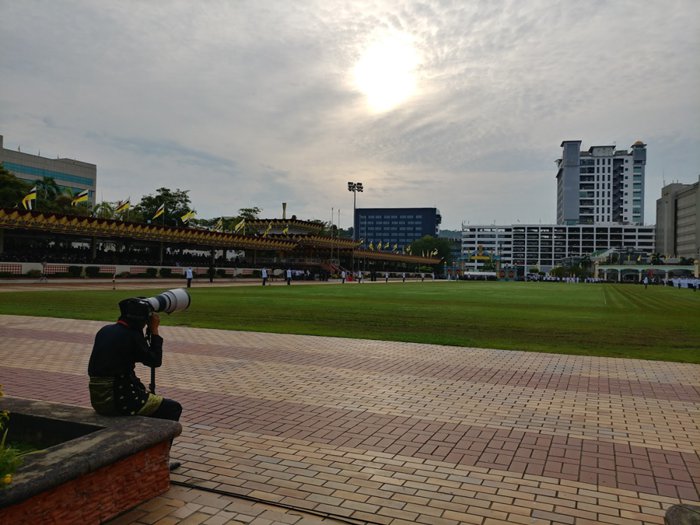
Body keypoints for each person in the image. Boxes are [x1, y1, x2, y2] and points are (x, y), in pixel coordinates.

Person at [87, 298, 182, 422]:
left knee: (147, 397)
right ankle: (155, 435)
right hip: (118, 401)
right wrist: (154, 330)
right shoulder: (132, 335)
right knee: (173, 408)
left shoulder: (105, 330)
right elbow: (155, 360)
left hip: (99, 400)